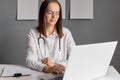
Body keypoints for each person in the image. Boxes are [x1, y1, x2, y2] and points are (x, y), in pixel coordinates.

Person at [26, 0, 75, 74]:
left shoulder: (66, 33)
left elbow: (75, 58)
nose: (54, 17)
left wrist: (54, 64)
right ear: (42, 14)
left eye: (57, 13)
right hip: (40, 74)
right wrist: (47, 68)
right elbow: (30, 60)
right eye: (50, 12)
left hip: (60, 75)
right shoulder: (33, 33)